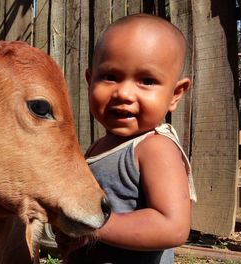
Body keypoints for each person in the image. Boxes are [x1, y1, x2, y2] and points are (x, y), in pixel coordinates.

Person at [55, 13, 197, 264]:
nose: (123, 93)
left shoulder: (155, 148)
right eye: (110, 76)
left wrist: (94, 226)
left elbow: (171, 226)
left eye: (146, 81)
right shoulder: (100, 146)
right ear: (90, 81)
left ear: (175, 94)